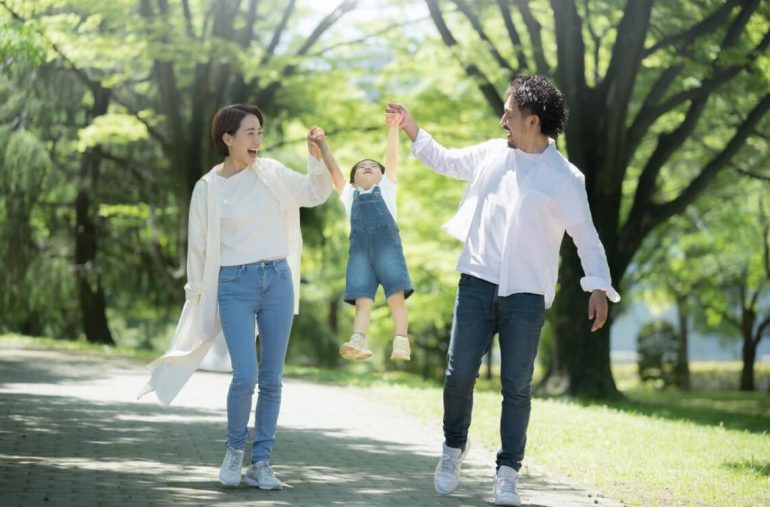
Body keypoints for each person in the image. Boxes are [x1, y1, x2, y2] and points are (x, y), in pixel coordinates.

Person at [387, 75, 620, 506]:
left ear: (533, 121)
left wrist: (598, 287)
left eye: (509, 114)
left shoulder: (565, 178)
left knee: (516, 386)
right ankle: (453, 447)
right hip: (476, 281)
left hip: (527, 295)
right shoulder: (493, 155)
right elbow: (447, 161)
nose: (501, 121)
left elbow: (586, 237)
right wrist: (412, 128)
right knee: (458, 377)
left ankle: (508, 471)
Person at [138, 104, 333, 490]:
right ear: (227, 139)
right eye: (249, 132)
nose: (257, 139)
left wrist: (317, 159)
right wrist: (197, 294)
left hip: (277, 279)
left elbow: (315, 192)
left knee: (272, 379)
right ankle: (233, 453)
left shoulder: (272, 173)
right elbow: (198, 247)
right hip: (233, 284)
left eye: (260, 132)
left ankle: (261, 463)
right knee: (245, 375)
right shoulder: (208, 188)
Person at [307, 113, 413, 361]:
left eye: (374, 166)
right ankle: (359, 339)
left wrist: (393, 129)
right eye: (361, 167)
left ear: (382, 176)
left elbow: (392, 156)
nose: (368, 166)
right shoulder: (348, 194)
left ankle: (401, 341)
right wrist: (322, 145)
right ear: (352, 182)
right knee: (363, 299)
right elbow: (333, 168)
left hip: (388, 251)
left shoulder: (386, 189)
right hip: (360, 255)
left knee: (395, 295)